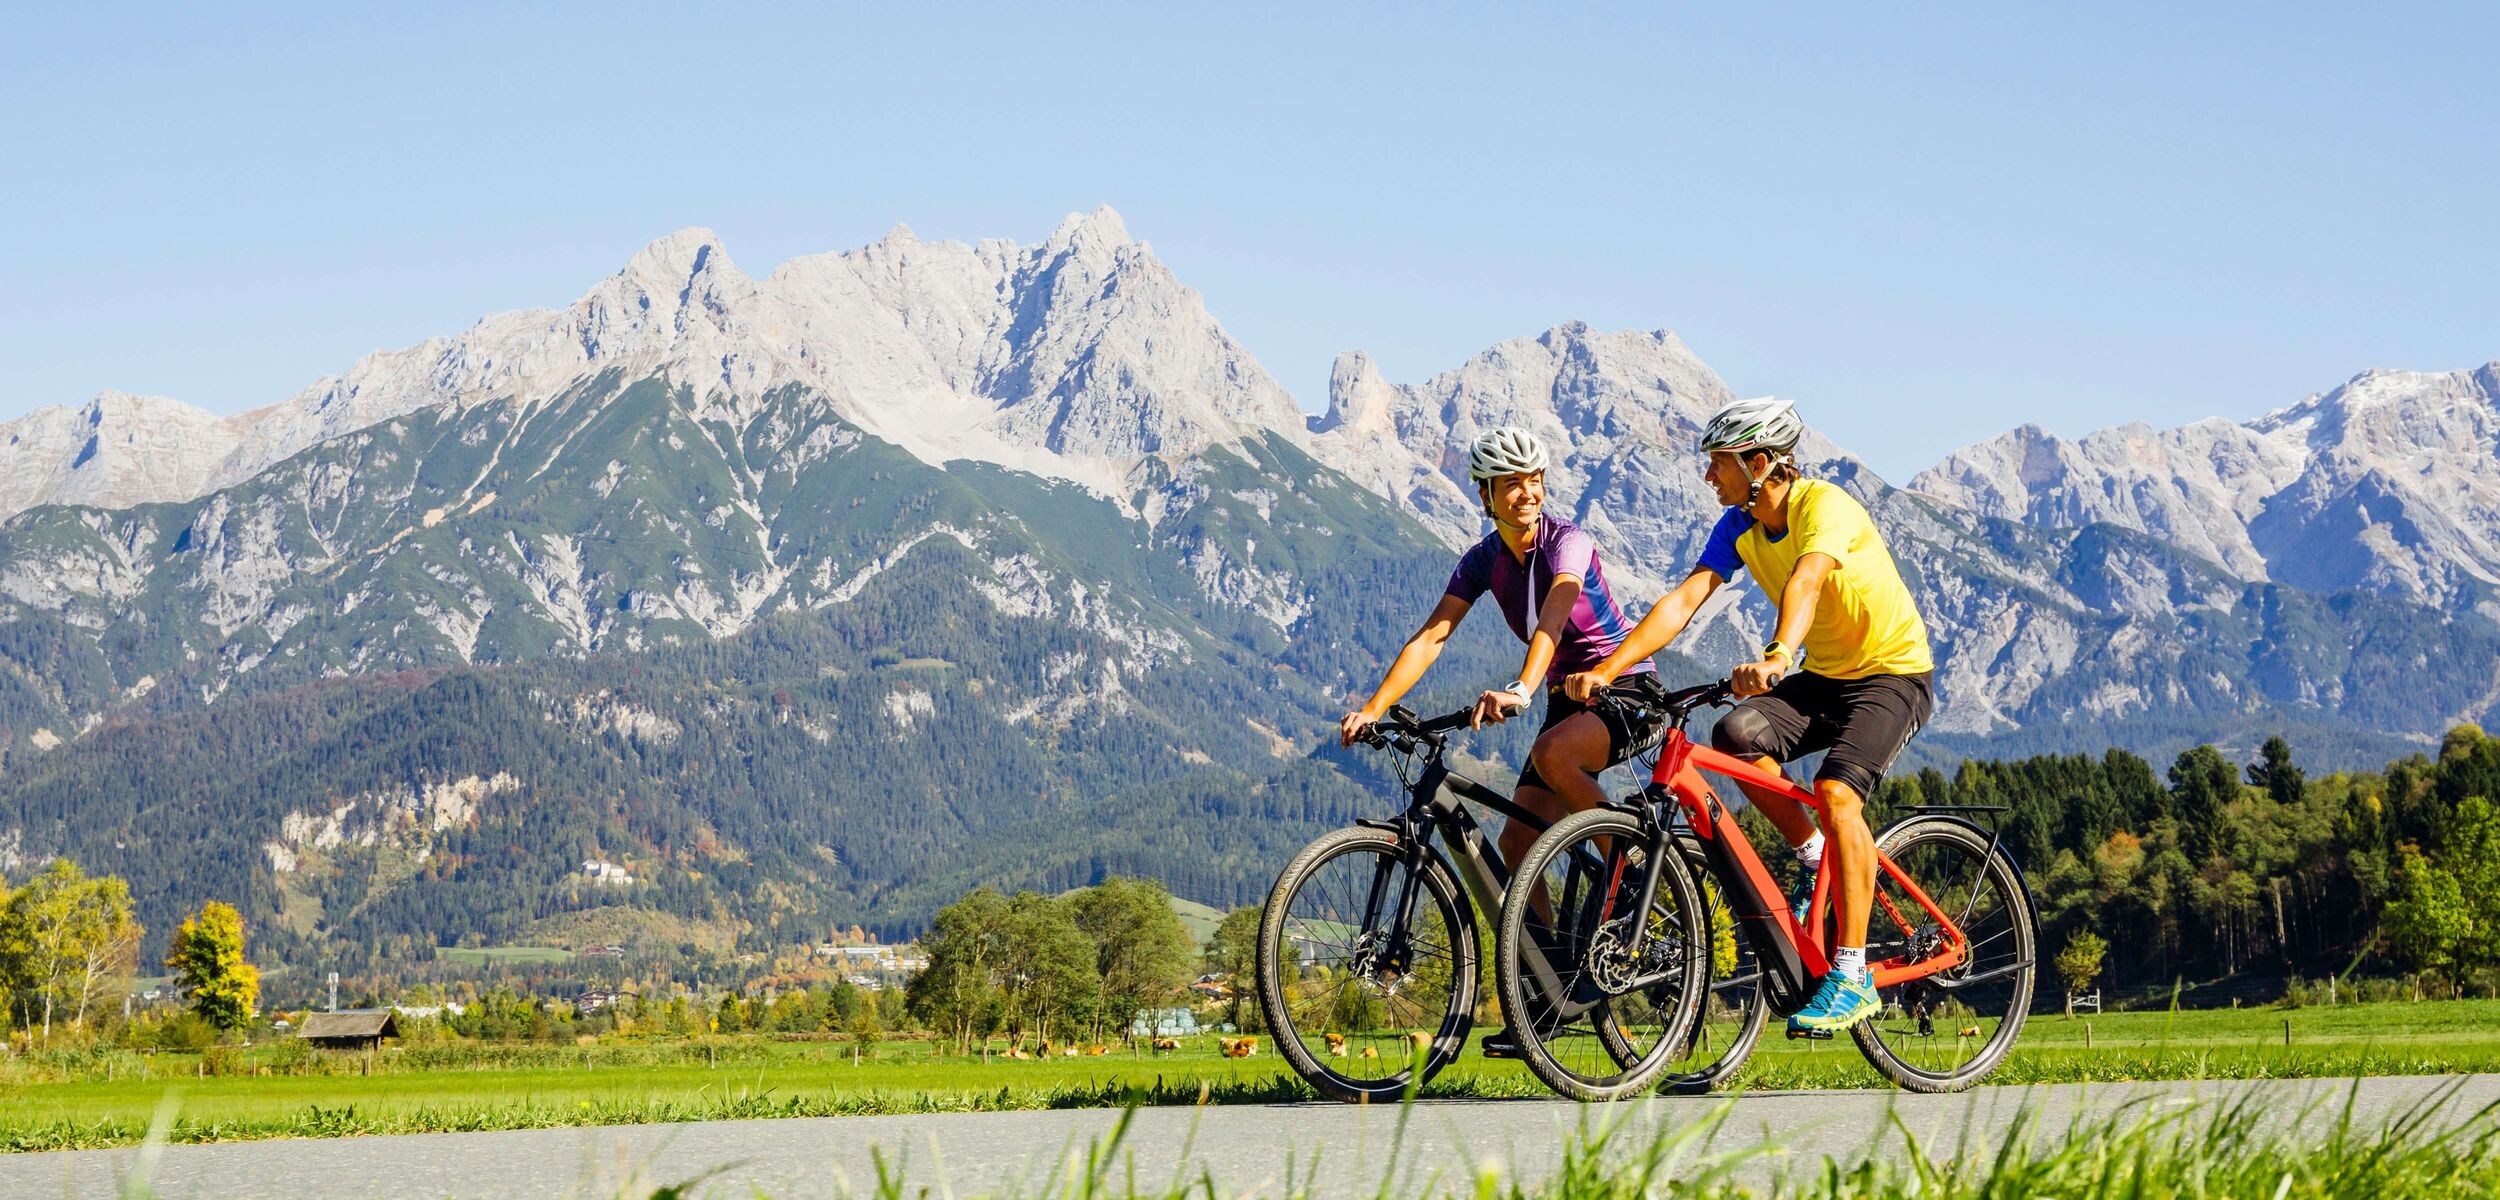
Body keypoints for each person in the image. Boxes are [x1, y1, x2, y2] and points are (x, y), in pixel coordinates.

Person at [1565, 396, 1934, 1037]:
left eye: (1719, 464)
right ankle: (1815, 851)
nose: (1710, 476)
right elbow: (1685, 599)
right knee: (1734, 734)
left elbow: (1808, 580)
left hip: (1893, 675)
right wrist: (1609, 669)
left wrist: (1776, 655)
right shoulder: (1737, 524)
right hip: (1828, 677)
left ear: (1760, 463)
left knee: (1838, 791)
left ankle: (1851, 974)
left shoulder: (1825, 507)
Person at [1338, 425, 1664, 1057]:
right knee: (1517, 849)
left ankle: (1629, 869)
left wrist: (1521, 686)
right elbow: (1434, 634)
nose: (1526, 493)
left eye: (1534, 480)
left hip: (1623, 690)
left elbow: (1556, 613)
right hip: (1565, 702)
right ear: (1486, 493)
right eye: (1512, 484)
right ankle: (1547, 995)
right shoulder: (1484, 559)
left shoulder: (1568, 542)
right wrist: (1376, 707)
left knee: (1552, 754)